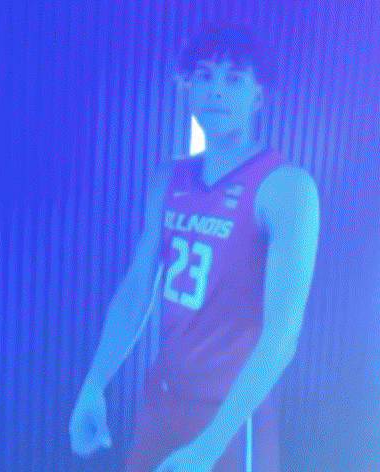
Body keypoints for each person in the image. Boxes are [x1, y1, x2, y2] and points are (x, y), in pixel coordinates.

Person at [69, 23, 320, 472]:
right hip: (163, 396)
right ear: (187, 86)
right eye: (204, 76)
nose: (216, 91)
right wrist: (94, 385)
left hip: (231, 414)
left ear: (259, 96)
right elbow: (136, 290)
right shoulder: (169, 177)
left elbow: (282, 336)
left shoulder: (287, 187)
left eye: (234, 78)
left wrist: (210, 447)